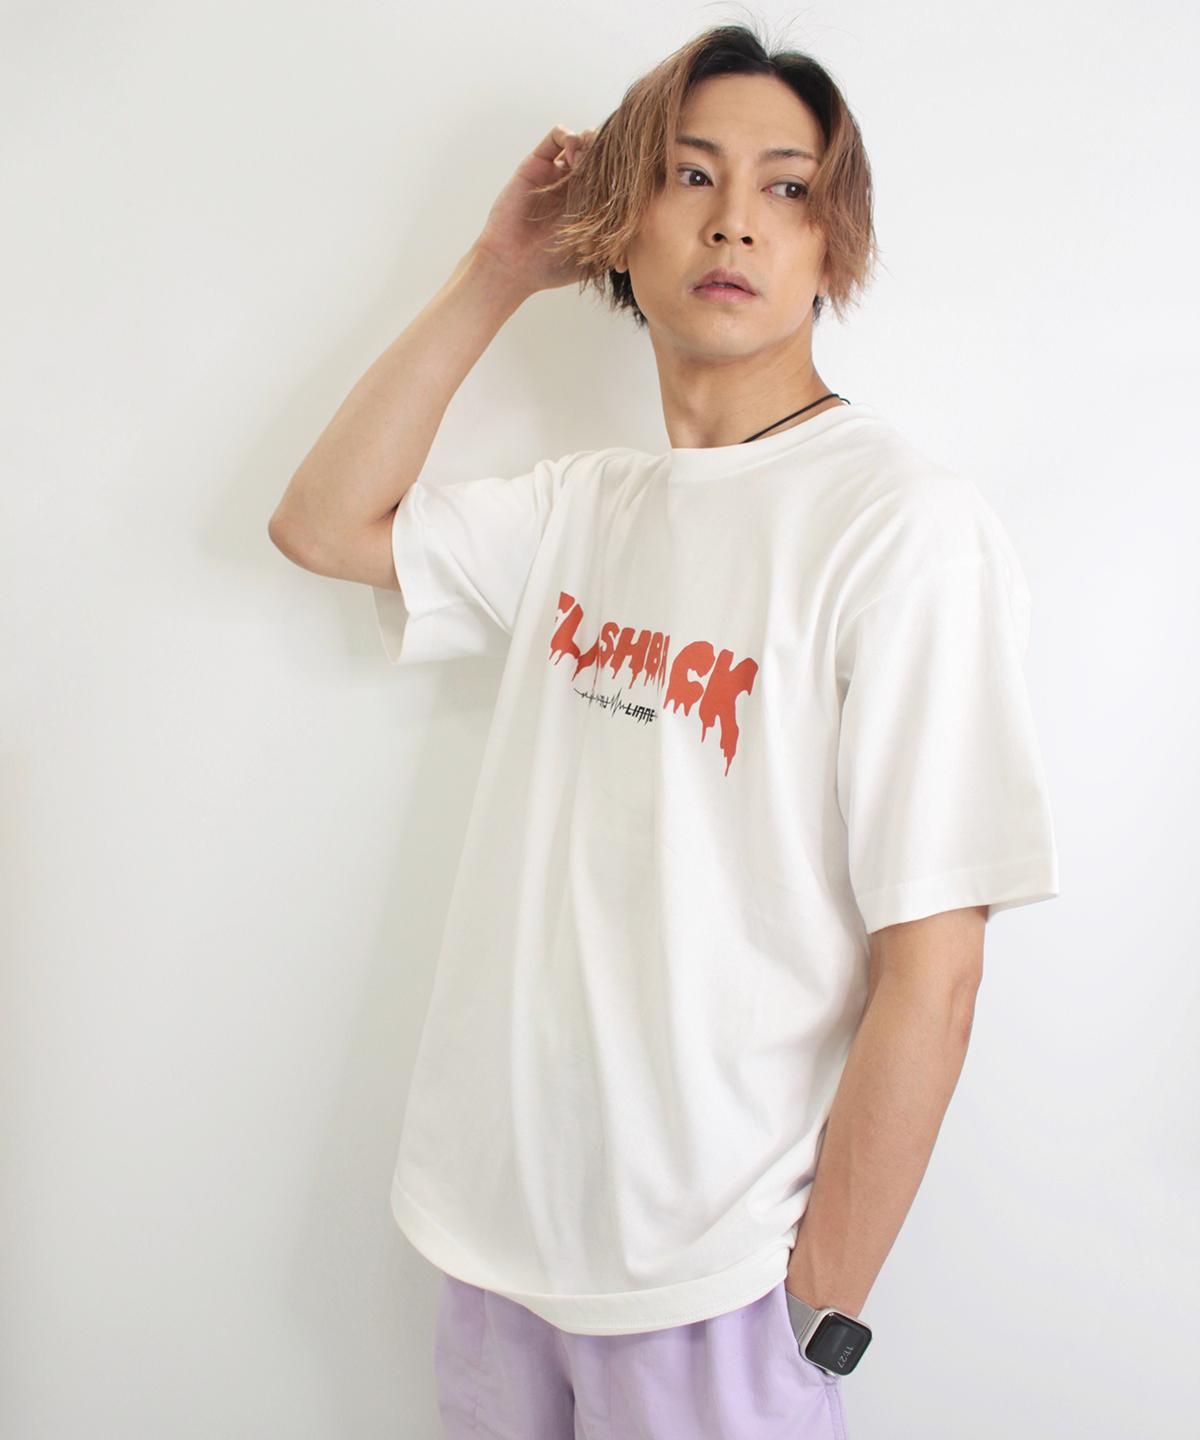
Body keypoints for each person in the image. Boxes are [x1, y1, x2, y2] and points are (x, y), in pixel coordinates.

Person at [269, 21, 1060, 1439]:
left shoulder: (901, 529)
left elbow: (936, 968)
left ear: (832, 244)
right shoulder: (586, 507)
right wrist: (498, 270)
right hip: (493, 1250)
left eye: (788, 187)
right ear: (620, 227)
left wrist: (821, 1307)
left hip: (711, 1287)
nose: (735, 219)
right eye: (690, 175)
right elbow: (323, 524)